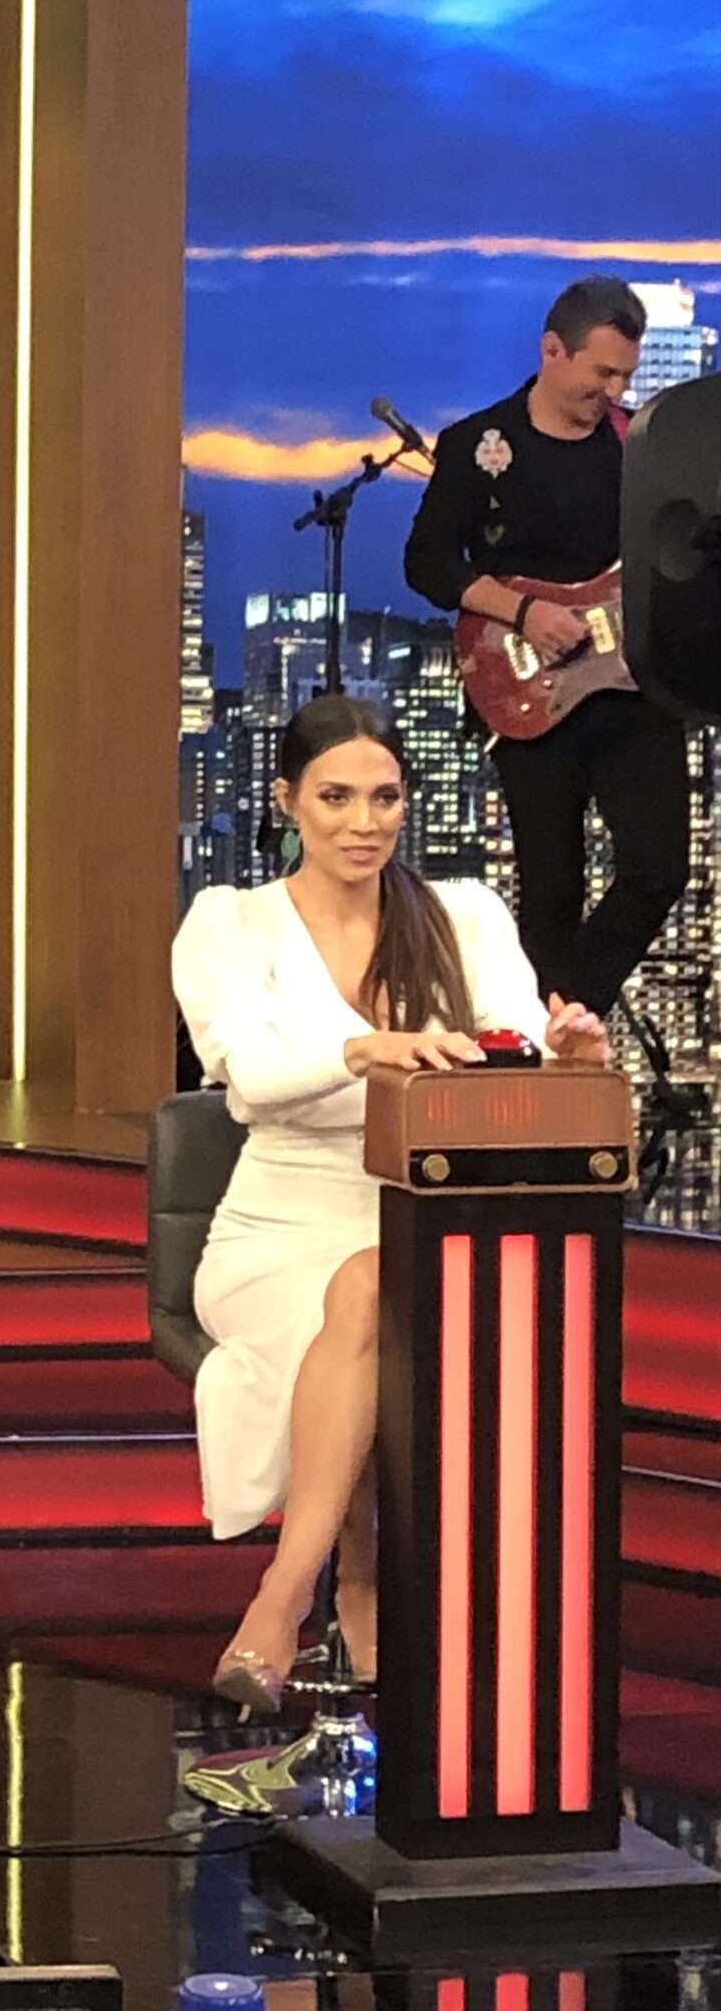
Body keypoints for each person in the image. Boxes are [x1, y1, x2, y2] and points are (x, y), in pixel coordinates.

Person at [171, 694, 608, 1713]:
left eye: (385, 797)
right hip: (283, 1223)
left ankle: (326, 1589)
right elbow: (251, 1079)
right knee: (370, 1292)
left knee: (382, 1287)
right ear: (288, 800)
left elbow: (510, 1050)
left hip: (430, 1209)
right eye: (336, 798)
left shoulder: (463, 915)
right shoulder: (231, 924)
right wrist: (364, 1050)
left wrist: (566, 1059)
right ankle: (309, 1593)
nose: (363, 822)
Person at [403, 274, 690, 1016]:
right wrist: (525, 612)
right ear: (553, 350)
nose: (616, 390)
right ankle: (554, 1045)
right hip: (526, 691)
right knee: (552, 890)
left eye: (625, 375)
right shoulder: (478, 445)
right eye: (604, 373)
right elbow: (427, 562)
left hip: (634, 690)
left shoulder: (641, 447)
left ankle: (557, 1018)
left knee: (660, 866)